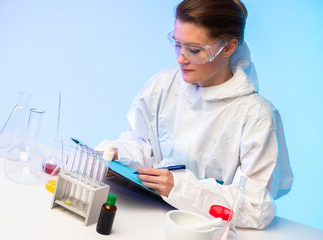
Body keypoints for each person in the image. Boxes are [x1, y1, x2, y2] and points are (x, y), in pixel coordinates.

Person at [96, 0, 293, 229]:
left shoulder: (257, 115)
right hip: (149, 219)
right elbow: (144, 145)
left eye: (194, 50)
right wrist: (118, 155)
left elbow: (254, 206)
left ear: (228, 48)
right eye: (177, 44)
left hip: (208, 232)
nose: (181, 58)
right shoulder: (164, 85)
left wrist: (180, 189)